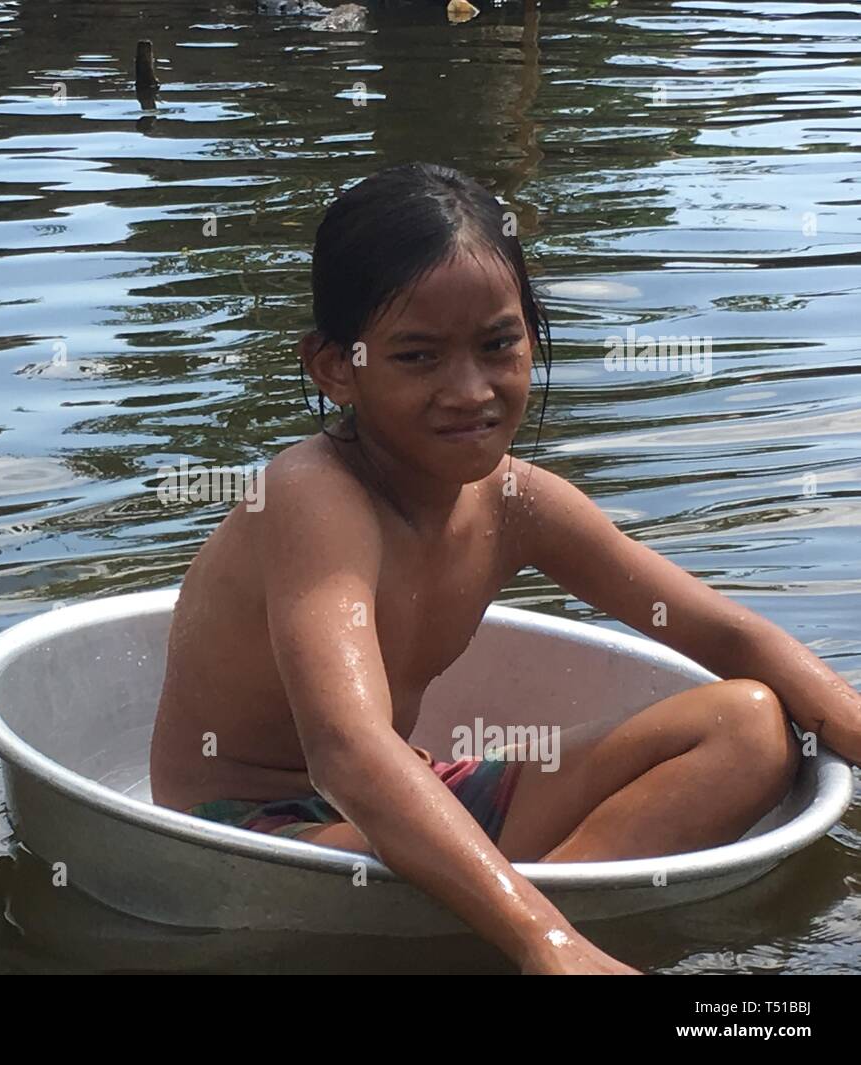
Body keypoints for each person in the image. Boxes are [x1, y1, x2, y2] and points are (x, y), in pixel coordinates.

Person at [147, 161, 861, 974]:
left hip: (407, 794)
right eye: (418, 357)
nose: (470, 390)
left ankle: (545, 934)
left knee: (752, 724)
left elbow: (722, 631)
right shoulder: (313, 497)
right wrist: (541, 938)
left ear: (532, 333)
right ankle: (544, 939)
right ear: (336, 367)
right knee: (514, 911)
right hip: (259, 830)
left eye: (498, 344)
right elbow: (345, 751)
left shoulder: (515, 500)